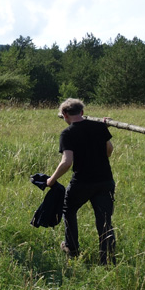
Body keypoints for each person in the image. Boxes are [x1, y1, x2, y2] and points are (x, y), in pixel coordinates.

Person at [46, 98, 116, 264]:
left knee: (69, 210)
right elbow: (109, 149)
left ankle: (71, 247)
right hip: (105, 180)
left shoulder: (68, 133)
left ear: (64, 114)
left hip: (82, 182)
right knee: (104, 219)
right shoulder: (99, 126)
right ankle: (107, 258)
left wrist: (51, 180)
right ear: (82, 112)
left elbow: (67, 162)